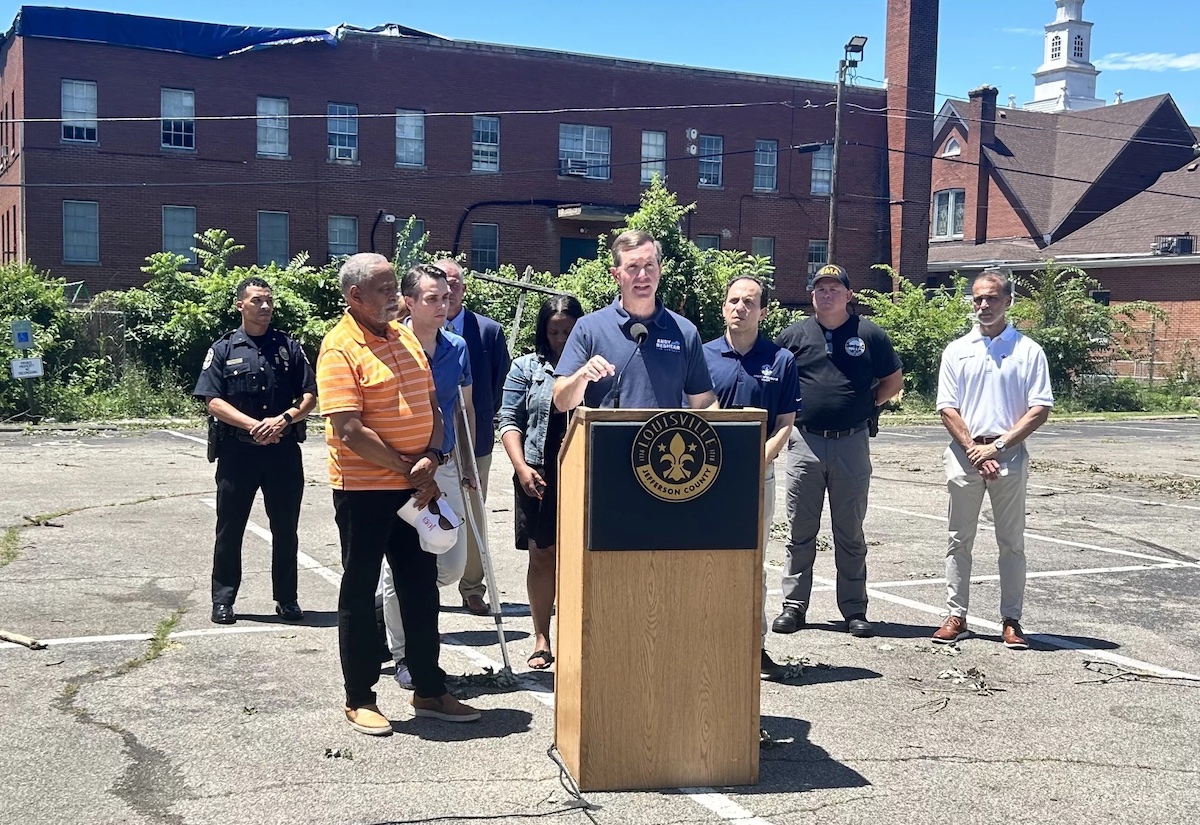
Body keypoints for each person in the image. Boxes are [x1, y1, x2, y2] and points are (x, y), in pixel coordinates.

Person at [316, 252, 480, 736]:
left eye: (394, 288)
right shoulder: (339, 348)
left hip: (417, 484)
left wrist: (433, 453)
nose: (394, 297)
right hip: (365, 489)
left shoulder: (406, 336)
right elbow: (349, 429)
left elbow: (433, 403)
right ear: (355, 297)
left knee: (419, 585)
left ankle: (428, 688)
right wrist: (411, 468)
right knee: (360, 585)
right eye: (385, 289)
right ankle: (360, 696)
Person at [772, 264, 903, 638]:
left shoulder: (869, 334)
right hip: (804, 441)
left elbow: (893, 381)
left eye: (834, 289)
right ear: (812, 295)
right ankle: (794, 607)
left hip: (851, 442)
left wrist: (865, 406)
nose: (826, 294)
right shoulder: (793, 336)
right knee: (800, 531)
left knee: (850, 532)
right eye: (820, 289)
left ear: (849, 295)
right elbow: (776, 384)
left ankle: (854, 610)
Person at [933, 269, 1053, 649]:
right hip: (965, 455)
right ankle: (957, 615)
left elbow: (1039, 409)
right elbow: (947, 408)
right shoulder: (956, 350)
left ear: (1009, 301)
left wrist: (997, 447)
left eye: (992, 298)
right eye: (978, 298)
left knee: (1011, 542)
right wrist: (975, 450)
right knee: (958, 539)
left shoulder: (1028, 351)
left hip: (1010, 457)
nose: (984, 305)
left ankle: (1012, 621)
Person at [193, 276, 316, 626]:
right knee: (230, 528)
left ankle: (287, 599)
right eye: (257, 301)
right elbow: (212, 400)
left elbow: (309, 394)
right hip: (238, 453)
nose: (265, 307)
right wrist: (253, 425)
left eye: (268, 301)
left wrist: (285, 419)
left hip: (282, 452)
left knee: (285, 529)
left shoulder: (288, 347)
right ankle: (223, 600)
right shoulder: (223, 349)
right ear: (240, 305)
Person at [380, 263, 476, 688]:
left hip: (446, 463)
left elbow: (462, 407)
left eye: (447, 296)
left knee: (450, 563)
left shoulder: (457, 347)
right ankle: (403, 653)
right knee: (400, 569)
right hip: (399, 469)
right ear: (409, 302)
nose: (444, 304)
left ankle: (409, 605)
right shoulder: (387, 343)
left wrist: (467, 465)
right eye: (433, 298)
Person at [703, 276, 798, 677]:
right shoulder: (701, 356)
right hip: (704, 481)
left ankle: (752, 645)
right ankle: (701, 642)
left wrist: (758, 460)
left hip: (758, 478)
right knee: (702, 561)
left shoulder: (780, 361)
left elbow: (785, 423)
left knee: (751, 562)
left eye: (749, 302)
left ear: (763, 310)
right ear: (723, 307)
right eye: (733, 301)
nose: (739, 307)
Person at [498, 294, 585, 671]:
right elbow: (509, 420)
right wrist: (520, 467)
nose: (561, 339)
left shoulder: (593, 367)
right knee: (543, 555)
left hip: (585, 473)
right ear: (542, 331)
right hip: (538, 474)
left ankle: (577, 635)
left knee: (583, 558)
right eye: (554, 331)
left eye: (569, 331)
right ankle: (541, 637)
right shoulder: (525, 367)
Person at [553, 229, 718, 411]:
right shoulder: (589, 328)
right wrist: (582, 376)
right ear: (616, 275)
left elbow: (704, 401)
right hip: (607, 439)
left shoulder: (685, 332)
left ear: (660, 270)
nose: (643, 275)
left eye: (649, 265)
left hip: (665, 439)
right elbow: (561, 402)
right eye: (633, 267)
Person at [436, 258, 511, 617]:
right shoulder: (411, 328)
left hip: (474, 435)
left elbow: (497, 383)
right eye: (441, 284)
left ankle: (472, 588)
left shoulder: (487, 331)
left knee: (473, 511)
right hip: (426, 440)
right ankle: (427, 582)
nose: (448, 292)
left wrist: (479, 417)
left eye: (454, 284)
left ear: (464, 288)